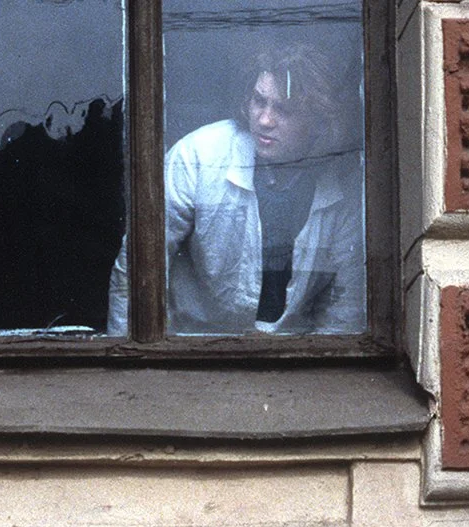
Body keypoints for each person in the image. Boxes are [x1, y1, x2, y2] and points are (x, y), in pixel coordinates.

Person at [108, 39, 365, 336]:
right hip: (188, 347)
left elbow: (345, 307)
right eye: (259, 101)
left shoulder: (346, 184)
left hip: (295, 356)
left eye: (284, 109)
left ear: (319, 121)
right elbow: (137, 271)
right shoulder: (199, 155)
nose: (264, 120)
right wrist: (129, 356)